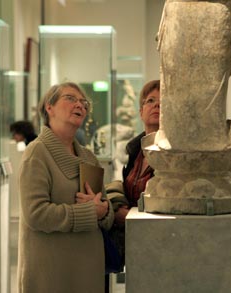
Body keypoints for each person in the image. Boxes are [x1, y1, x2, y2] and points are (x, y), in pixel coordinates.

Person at [17, 82, 114, 293]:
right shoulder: (37, 154)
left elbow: (104, 208)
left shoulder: (88, 157)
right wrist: (89, 212)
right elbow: (35, 214)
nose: (79, 104)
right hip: (52, 273)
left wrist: (104, 211)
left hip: (87, 270)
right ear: (48, 108)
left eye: (83, 102)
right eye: (70, 98)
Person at [106, 79, 160, 269]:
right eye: (151, 101)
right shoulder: (135, 149)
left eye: (164, 102)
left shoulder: (175, 153)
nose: (157, 106)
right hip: (135, 243)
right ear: (141, 111)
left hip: (162, 242)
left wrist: (130, 215)